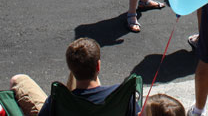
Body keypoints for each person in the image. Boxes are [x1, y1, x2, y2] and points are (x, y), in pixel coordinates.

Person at [9, 37, 140, 116]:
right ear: (98, 66)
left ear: (70, 67)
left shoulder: (56, 100)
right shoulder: (121, 95)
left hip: (68, 105)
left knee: (18, 79)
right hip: (107, 106)